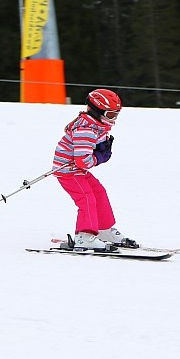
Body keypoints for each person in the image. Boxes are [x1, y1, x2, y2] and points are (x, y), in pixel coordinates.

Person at [53, 89, 138, 251]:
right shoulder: (86, 129)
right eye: (111, 115)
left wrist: (101, 147)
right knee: (86, 198)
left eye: (116, 115)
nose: (114, 119)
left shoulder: (96, 126)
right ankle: (84, 236)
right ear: (98, 111)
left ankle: (104, 229)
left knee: (99, 192)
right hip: (68, 171)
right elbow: (82, 160)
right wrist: (99, 157)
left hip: (77, 170)